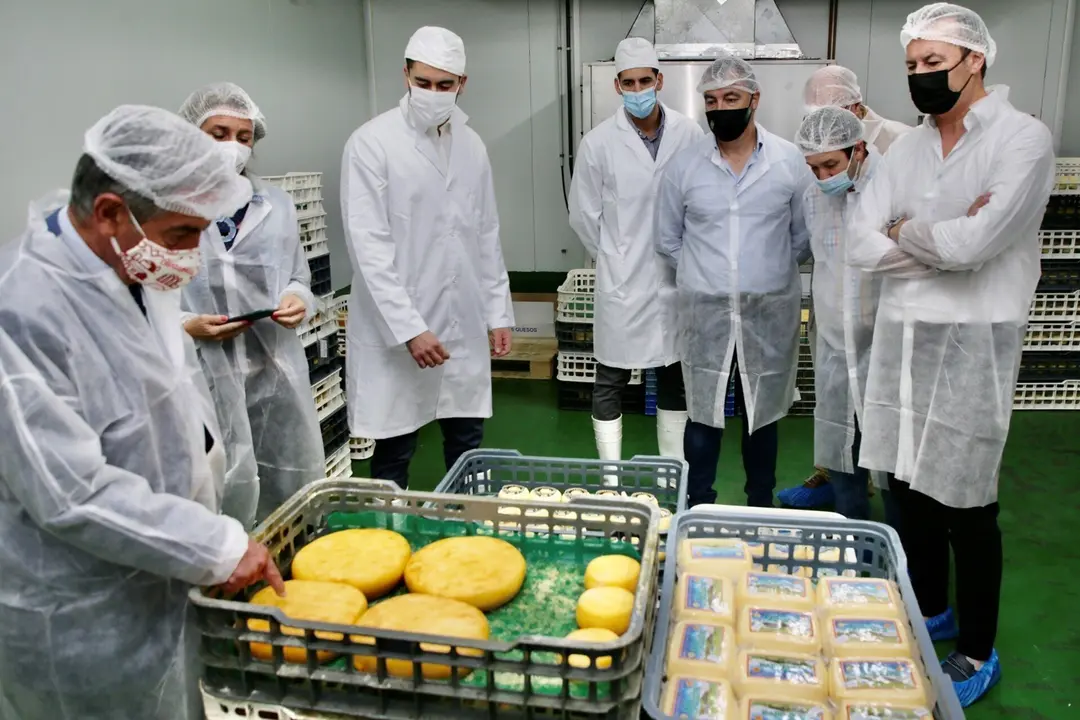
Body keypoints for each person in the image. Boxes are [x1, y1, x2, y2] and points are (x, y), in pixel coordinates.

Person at [0, 105, 285, 719]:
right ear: (108, 213)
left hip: (157, 570)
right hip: (80, 608)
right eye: (184, 234)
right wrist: (210, 544)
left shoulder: (129, 267)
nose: (194, 252)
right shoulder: (20, 312)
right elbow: (67, 493)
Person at [848, 3, 1054, 705]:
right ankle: (931, 606)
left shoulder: (1023, 140)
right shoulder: (905, 148)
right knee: (907, 484)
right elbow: (858, 239)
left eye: (934, 63)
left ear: (975, 62)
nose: (921, 77)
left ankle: (976, 649)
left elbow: (979, 244)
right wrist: (931, 244)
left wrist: (906, 234)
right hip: (906, 330)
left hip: (975, 337)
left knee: (966, 499)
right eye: (912, 66)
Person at [340, 26, 514, 489]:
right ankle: (388, 539)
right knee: (396, 448)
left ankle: (471, 533)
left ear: (462, 84)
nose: (433, 94)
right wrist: (411, 329)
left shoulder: (472, 145)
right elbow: (368, 246)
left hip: (464, 317)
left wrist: (498, 313)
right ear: (405, 75)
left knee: (467, 439)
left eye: (445, 85)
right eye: (424, 83)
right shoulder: (371, 143)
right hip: (399, 327)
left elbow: (486, 233)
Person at [655, 52, 811, 507]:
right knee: (702, 415)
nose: (720, 107)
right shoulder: (684, 167)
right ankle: (697, 504)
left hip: (769, 312)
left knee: (760, 415)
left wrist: (761, 274)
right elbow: (668, 239)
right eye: (712, 99)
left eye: (731, 97)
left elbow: (801, 238)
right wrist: (710, 279)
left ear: (754, 99)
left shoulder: (788, 162)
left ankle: (759, 504)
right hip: (705, 313)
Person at [179, 82, 325, 527]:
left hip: (273, 369)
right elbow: (138, 299)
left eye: (244, 138)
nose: (232, 147)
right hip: (199, 375)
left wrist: (297, 300)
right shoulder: (161, 207)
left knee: (288, 482)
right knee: (210, 488)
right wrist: (187, 324)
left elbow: (300, 276)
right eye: (218, 132)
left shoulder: (275, 206)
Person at [568, 37, 704, 475]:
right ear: (617, 86)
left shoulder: (689, 133)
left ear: (660, 80)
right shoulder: (598, 143)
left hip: (676, 276)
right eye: (629, 82)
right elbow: (584, 214)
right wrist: (616, 253)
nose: (639, 88)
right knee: (609, 376)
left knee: (673, 374)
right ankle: (610, 474)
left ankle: (672, 467)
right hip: (622, 278)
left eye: (646, 79)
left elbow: (702, 199)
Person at [780, 64, 914, 511]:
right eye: (813, 166)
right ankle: (848, 522)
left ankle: (901, 545)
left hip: (886, 329)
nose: (821, 175)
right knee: (838, 433)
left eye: (830, 164)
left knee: (893, 449)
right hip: (836, 329)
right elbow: (813, 248)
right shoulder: (816, 186)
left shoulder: (898, 161)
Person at [804, 65, 912, 154]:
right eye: (816, 114)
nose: (823, 122)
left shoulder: (900, 138)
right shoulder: (813, 139)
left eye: (832, 114)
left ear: (856, 106)